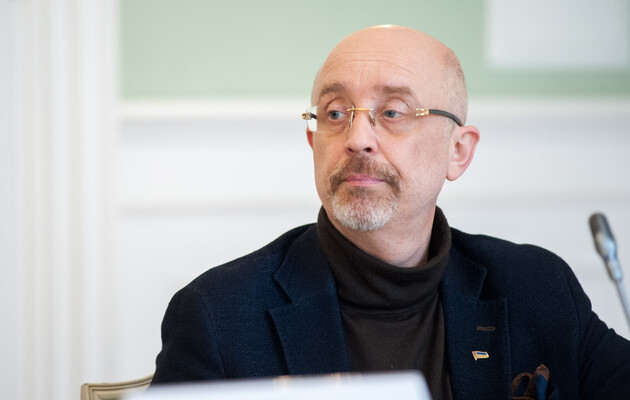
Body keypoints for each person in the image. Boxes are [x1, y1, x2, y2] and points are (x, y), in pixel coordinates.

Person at [151, 25, 630, 399]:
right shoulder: (218, 316)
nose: (357, 138)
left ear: (458, 152)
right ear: (314, 143)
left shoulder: (537, 288)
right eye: (335, 113)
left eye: (393, 112)